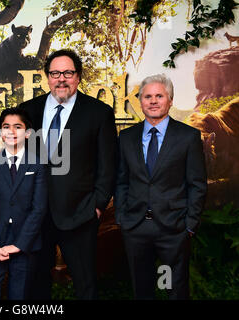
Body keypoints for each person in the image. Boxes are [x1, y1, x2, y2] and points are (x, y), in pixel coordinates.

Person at [19, 49, 117, 299]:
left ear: (78, 76)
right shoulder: (28, 111)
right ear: (47, 77)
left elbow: (108, 165)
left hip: (80, 214)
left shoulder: (99, 112)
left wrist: (97, 205)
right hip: (36, 215)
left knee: (85, 285)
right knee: (36, 284)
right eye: (55, 73)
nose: (61, 79)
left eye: (68, 73)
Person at [114, 74, 207, 299]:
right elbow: (121, 181)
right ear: (141, 101)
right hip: (135, 227)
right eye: (147, 96)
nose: (153, 101)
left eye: (159, 95)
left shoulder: (189, 137)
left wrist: (189, 225)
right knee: (142, 290)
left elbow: (197, 184)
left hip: (174, 229)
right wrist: (122, 219)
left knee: (175, 291)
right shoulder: (126, 137)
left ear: (170, 100)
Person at [0, 107, 48, 300]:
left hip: (24, 243)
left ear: (27, 133)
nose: (11, 131)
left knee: (20, 296)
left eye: (17, 126)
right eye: (6, 127)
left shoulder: (37, 164)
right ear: (0, 133)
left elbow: (39, 208)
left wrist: (18, 245)